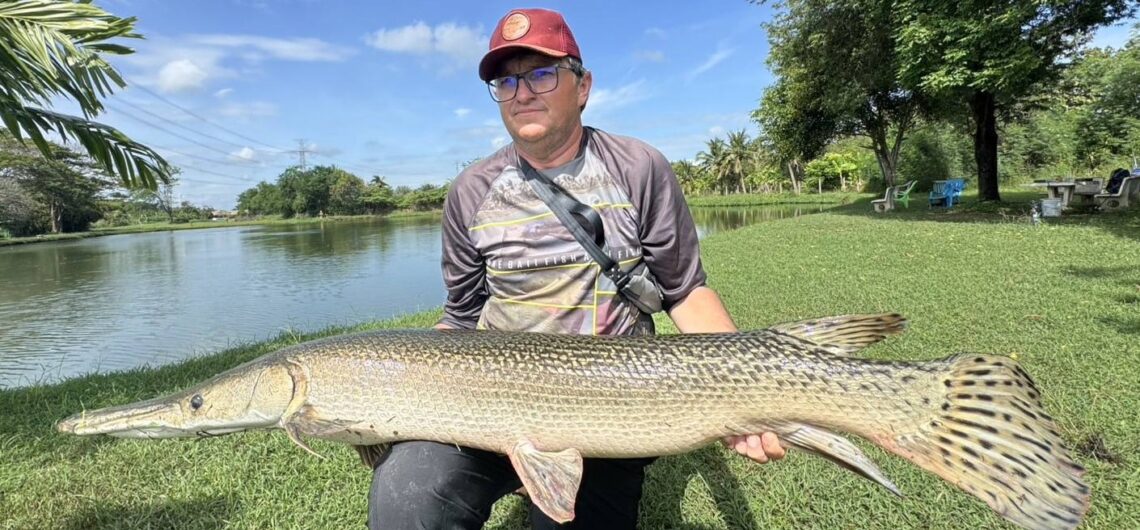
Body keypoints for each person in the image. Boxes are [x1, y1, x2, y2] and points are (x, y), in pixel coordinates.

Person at [367, 8, 784, 529]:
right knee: (406, 497)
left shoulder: (637, 167)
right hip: (485, 406)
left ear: (582, 86)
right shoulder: (471, 190)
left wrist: (743, 388)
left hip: (609, 409)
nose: (522, 93)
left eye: (541, 74)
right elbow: (461, 316)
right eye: (506, 81)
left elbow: (684, 291)